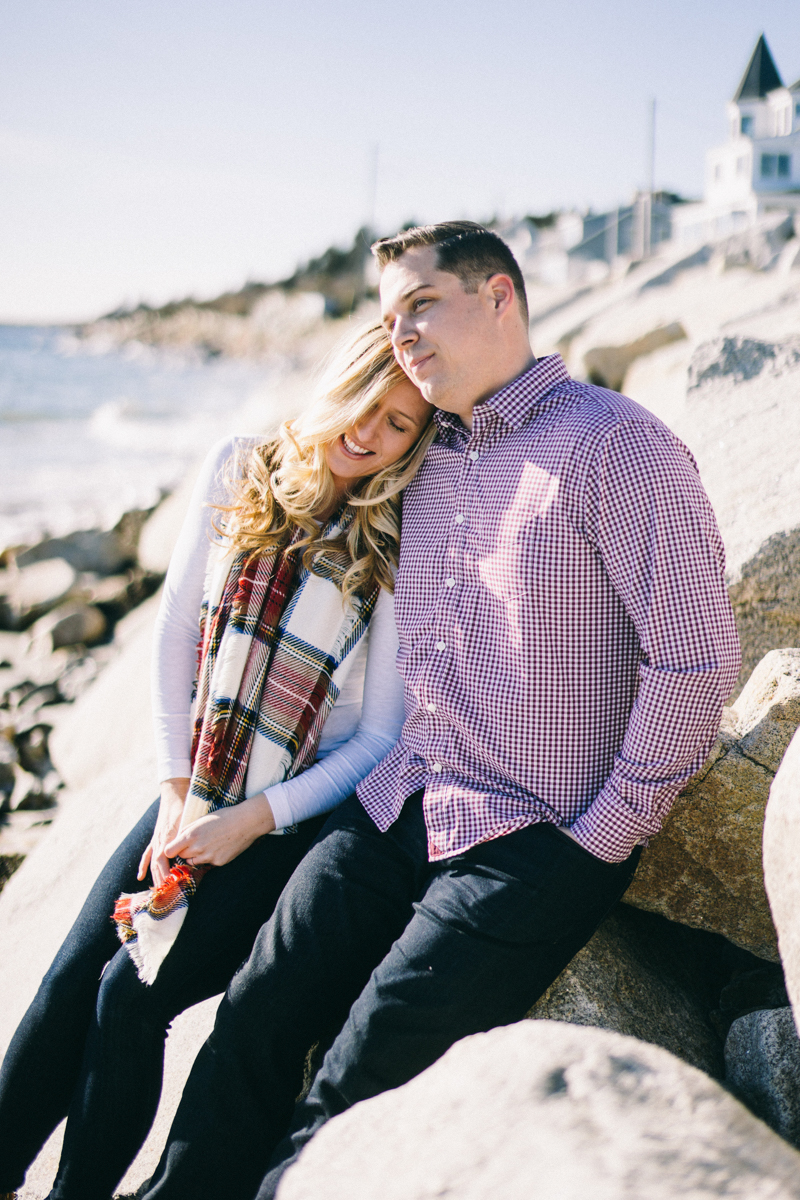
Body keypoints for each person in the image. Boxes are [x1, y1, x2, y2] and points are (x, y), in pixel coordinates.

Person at [138, 221, 741, 1200]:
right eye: (387, 314)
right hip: (395, 801)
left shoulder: (614, 446)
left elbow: (695, 662)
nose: (401, 333)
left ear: (499, 295)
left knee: (365, 1067)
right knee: (256, 1010)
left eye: (421, 303)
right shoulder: (425, 458)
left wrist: (602, 834)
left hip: (535, 832)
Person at [0, 322, 434, 1200]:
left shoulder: (388, 543)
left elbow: (378, 737)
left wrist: (251, 822)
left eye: (399, 425)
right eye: (365, 403)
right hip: (194, 785)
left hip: (283, 819)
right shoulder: (241, 468)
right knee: (66, 979)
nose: (370, 433)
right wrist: (172, 793)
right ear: (335, 383)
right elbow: (171, 640)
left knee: (131, 996)